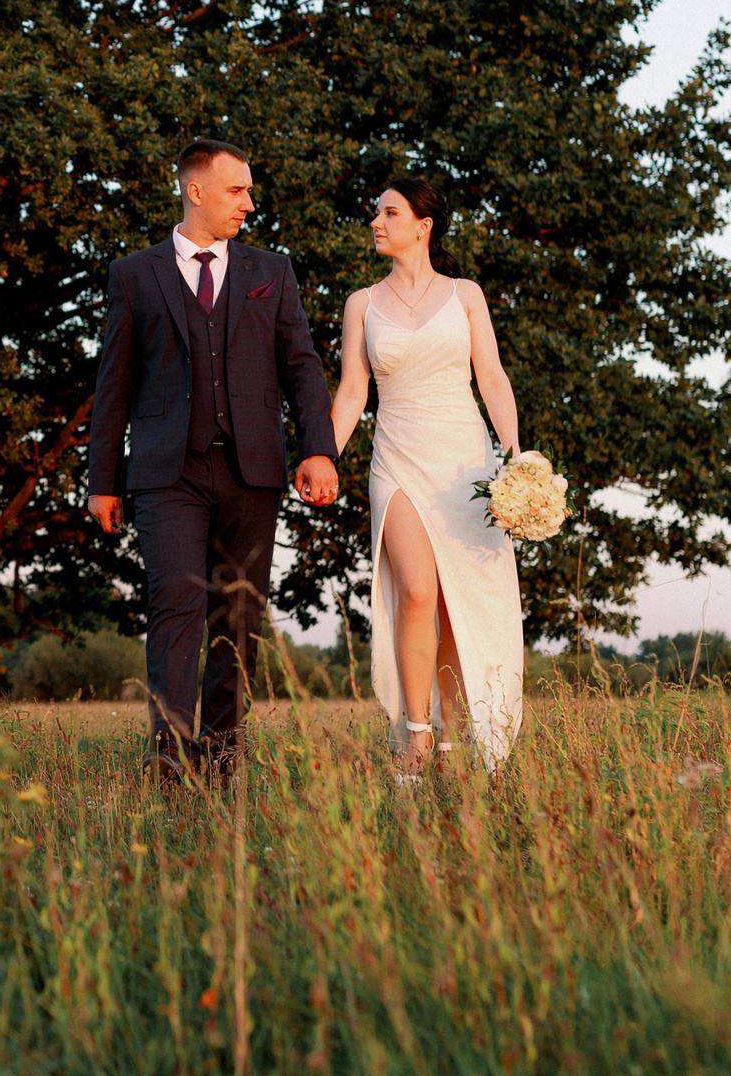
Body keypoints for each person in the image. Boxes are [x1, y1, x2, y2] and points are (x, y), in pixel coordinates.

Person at [86, 139, 340, 779]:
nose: (249, 204)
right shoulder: (134, 275)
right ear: (195, 191)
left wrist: (318, 449)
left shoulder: (271, 271)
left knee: (237, 615)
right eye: (237, 191)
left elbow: (302, 369)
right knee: (176, 603)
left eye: (249, 191)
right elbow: (113, 383)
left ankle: (223, 763)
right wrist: (102, 479)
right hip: (165, 472)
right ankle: (170, 766)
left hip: (252, 470)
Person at [329, 178, 526, 776]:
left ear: (423, 225)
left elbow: (490, 377)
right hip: (397, 459)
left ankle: (452, 742)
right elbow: (352, 391)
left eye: (390, 212)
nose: (376, 222)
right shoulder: (361, 303)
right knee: (416, 591)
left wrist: (517, 461)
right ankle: (415, 737)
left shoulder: (465, 295)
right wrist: (323, 457)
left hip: (465, 463)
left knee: (452, 605)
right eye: (376, 212)